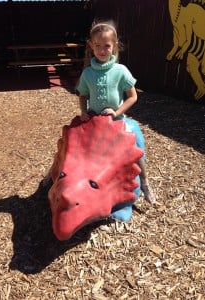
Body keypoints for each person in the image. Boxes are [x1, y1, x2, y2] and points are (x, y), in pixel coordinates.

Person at [76, 20, 155, 206]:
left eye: (107, 46)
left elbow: (133, 96)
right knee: (74, 144)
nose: (102, 50)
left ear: (114, 46)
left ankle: (145, 182)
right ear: (91, 46)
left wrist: (116, 111)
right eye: (98, 46)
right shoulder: (87, 73)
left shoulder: (120, 71)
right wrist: (83, 111)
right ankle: (56, 175)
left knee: (135, 147)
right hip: (94, 121)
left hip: (117, 120)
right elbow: (83, 95)